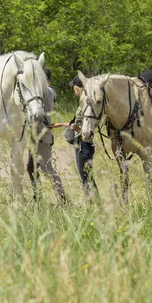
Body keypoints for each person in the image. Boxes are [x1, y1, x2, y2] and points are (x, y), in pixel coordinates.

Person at [27, 68, 67, 203]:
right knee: (31, 167)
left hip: (42, 133)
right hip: (36, 133)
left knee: (47, 169)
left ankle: (63, 199)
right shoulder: (46, 90)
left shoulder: (47, 91)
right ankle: (37, 196)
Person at [68, 75, 98, 198]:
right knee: (86, 175)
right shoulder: (84, 102)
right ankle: (95, 202)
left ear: (77, 88)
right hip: (82, 142)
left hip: (84, 143)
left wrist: (77, 128)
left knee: (85, 175)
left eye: (74, 88)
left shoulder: (86, 104)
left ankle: (93, 203)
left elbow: (90, 127)